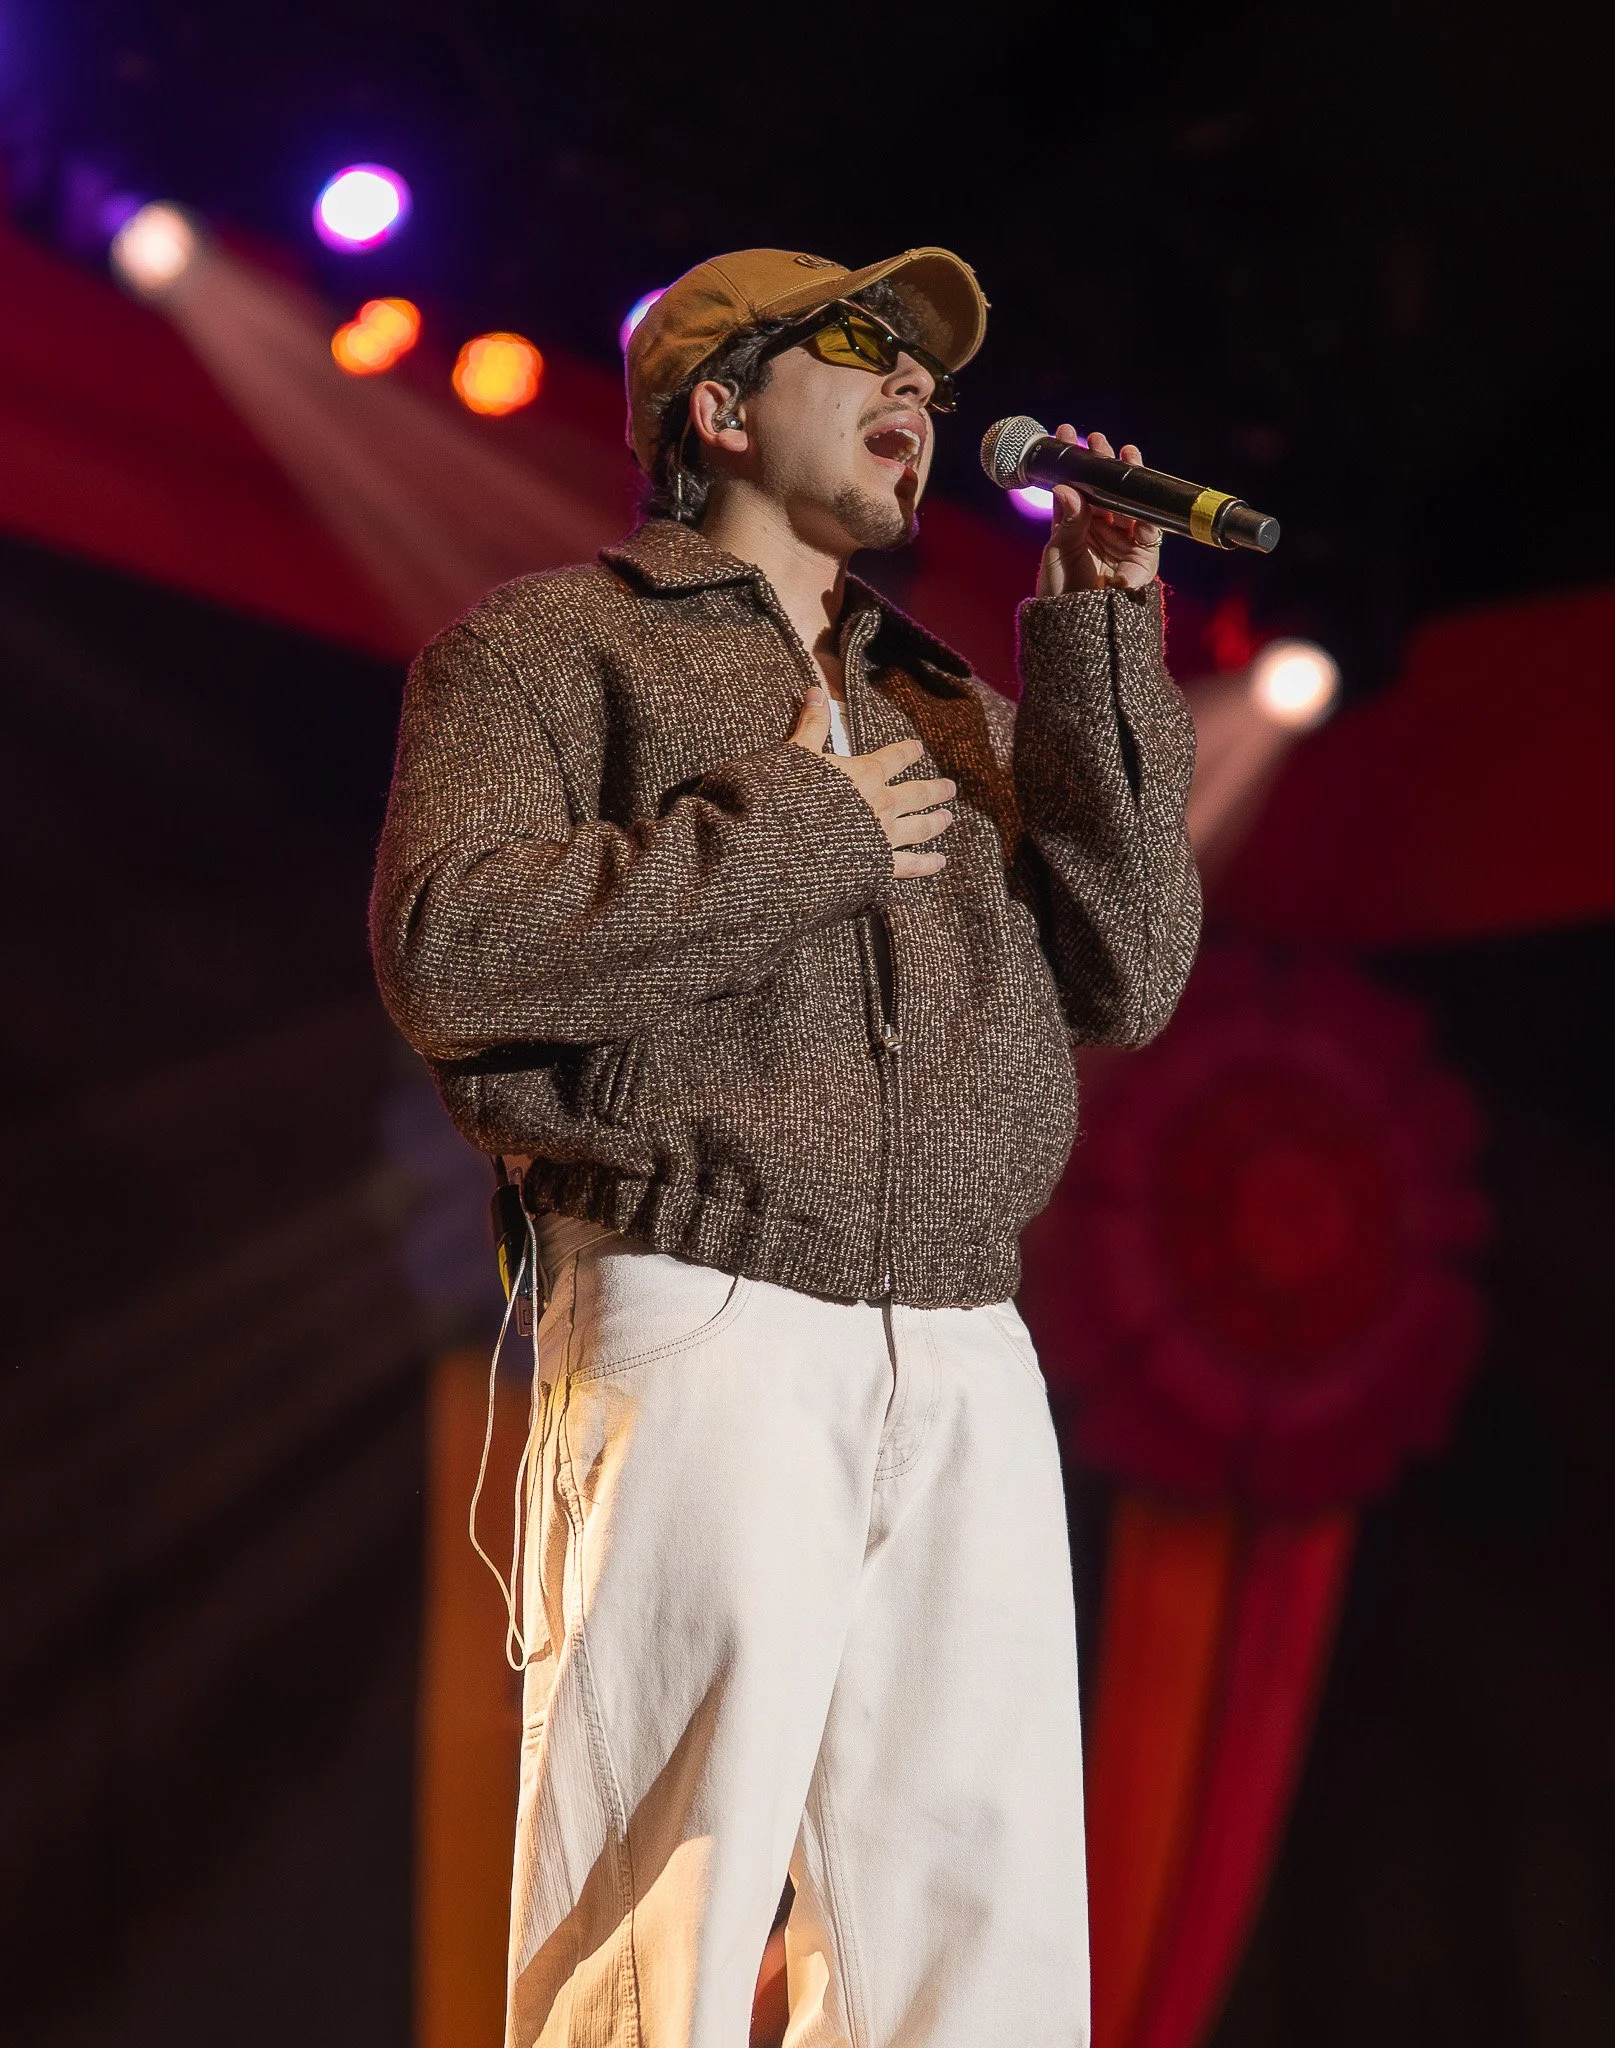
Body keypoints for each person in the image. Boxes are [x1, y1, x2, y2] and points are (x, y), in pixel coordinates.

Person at [371, 245, 1200, 2048]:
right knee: (660, 1911)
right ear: (720, 409)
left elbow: (1128, 968)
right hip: (703, 1294)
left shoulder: (949, 705)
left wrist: (1101, 634)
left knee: (980, 1949)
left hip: (968, 1342)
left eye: (934, 378)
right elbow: (452, 952)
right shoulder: (550, 644)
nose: (916, 392)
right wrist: (792, 836)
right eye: (861, 349)